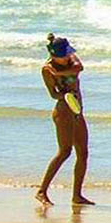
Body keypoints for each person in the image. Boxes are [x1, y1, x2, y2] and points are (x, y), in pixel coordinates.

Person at [36, 34, 93, 207]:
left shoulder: (71, 60)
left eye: (68, 53)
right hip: (63, 112)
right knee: (65, 152)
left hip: (77, 111)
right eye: (63, 55)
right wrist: (66, 96)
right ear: (54, 55)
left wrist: (60, 72)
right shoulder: (47, 69)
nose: (67, 56)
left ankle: (77, 195)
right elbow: (53, 94)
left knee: (83, 153)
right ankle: (41, 191)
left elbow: (79, 68)